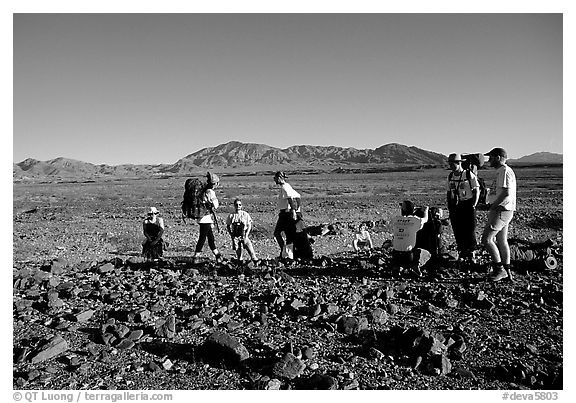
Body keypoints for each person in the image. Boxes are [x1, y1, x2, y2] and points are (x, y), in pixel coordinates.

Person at [481, 147, 517, 282]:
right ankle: (507, 271)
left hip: (501, 210)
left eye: (490, 157)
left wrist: (493, 206)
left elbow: (506, 193)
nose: (488, 160)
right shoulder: (504, 171)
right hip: (505, 210)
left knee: (487, 239)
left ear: (497, 157)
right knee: (502, 241)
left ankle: (499, 269)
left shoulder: (504, 171)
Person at [446, 153, 480, 262]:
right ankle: (462, 250)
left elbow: (476, 190)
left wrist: (473, 204)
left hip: (468, 203)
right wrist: (450, 205)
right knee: (457, 228)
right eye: (450, 163)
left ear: (459, 163)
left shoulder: (468, 174)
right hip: (456, 205)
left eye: (453, 163)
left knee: (469, 229)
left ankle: (471, 251)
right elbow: (448, 191)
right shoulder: (451, 176)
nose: (451, 166)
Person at [391, 200, 431, 277]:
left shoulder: (396, 220)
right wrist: (425, 211)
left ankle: (397, 267)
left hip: (396, 255)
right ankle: (415, 266)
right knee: (426, 253)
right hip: (408, 256)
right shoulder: (414, 220)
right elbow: (425, 219)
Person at [192, 172, 223, 264]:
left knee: (210, 238)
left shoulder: (204, 191)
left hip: (204, 217)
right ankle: (196, 257)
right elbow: (216, 205)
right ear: (215, 183)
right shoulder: (210, 192)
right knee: (202, 238)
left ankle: (217, 255)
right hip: (205, 218)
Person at [273, 171, 301, 260]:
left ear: (280, 178)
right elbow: (298, 196)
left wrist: (293, 211)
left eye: (276, 177)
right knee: (289, 234)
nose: (274, 179)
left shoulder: (285, 187)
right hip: (286, 212)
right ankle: (288, 254)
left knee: (277, 233)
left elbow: (290, 199)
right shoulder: (287, 186)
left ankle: (285, 252)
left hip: (286, 214)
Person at [226, 198, 258, 264]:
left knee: (251, 252)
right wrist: (231, 234)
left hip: (244, 235)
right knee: (239, 255)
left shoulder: (245, 214)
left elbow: (249, 225)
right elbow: (228, 225)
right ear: (234, 206)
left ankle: (256, 264)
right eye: (236, 205)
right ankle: (240, 267)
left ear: (241, 206)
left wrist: (246, 235)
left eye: (239, 205)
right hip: (235, 236)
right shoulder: (231, 215)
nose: (238, 206)